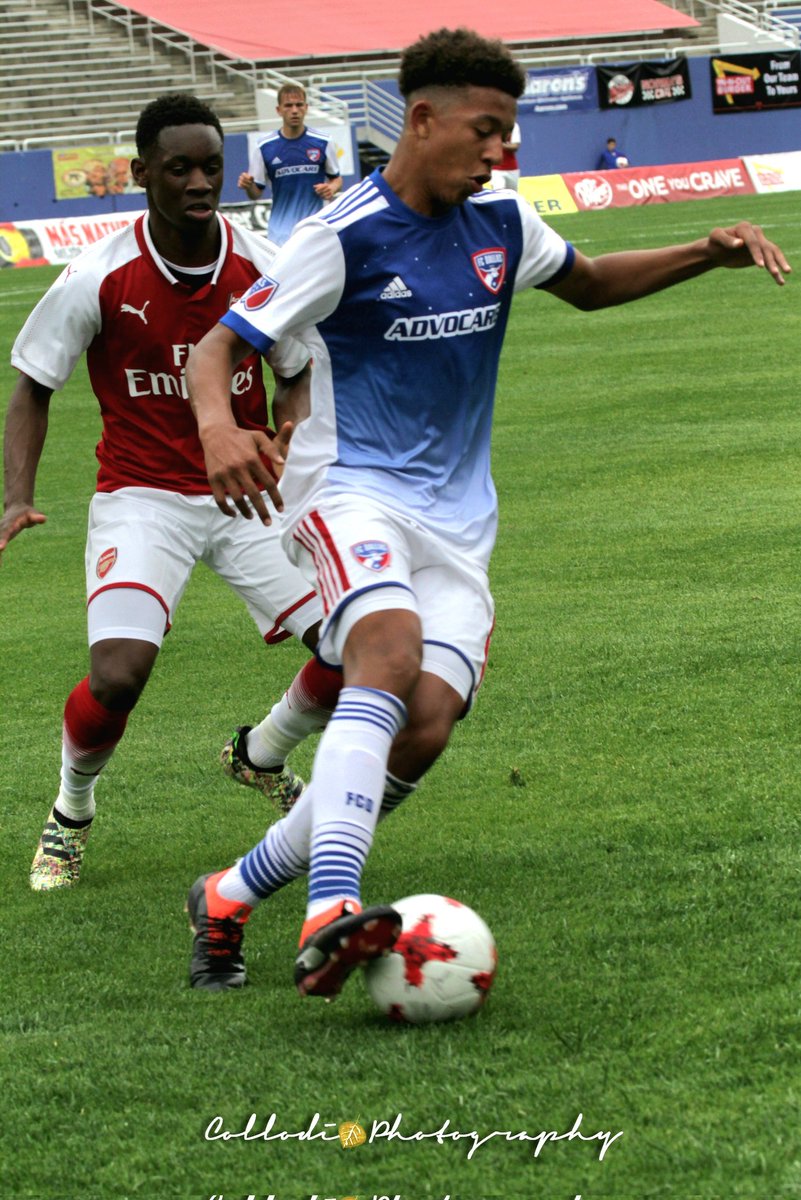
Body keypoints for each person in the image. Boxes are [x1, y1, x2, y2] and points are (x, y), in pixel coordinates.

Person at [182, 27, 790, 999]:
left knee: (423, 723)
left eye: (508, 135)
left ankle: (228, 891)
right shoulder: (341, 236)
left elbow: (587, 286)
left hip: (460, 522)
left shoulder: (501, 221)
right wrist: (219, 429)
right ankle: (332, 908)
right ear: (422, 121)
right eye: (487, 131)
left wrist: (705, 251)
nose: (501, 154)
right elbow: (214, 347)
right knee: (382, 653)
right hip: (351, 489)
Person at [1, 93, 344, 893]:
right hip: (142, 496)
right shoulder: (99, 274)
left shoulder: (261, 264)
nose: (199, 182)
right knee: (118, 673)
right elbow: (32, 383)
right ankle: (71, 810)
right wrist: (16, 497)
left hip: (252, 494)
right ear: (142, 172)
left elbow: (295, 373)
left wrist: (288, 446)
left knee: (352, 647)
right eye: (180, 167)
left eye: (211, 167)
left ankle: (259, 753)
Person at [237, 83, 343, 246]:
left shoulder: (323, 142)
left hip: (316, 229)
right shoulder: (264, 146)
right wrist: (249, 186)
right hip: (281, 234)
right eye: (288, 105)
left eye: (299, 105)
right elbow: (256, 193)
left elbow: (336, 179)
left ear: (306, 108)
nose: (294, 110)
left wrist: (331, 188)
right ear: (279, 110)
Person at [490, 120, 521, 189]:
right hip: (496, 169)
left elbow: (515, 146)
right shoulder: (490, 126)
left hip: (512, 168)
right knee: (499, 195)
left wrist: (499, 144)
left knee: (511, 196)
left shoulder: (514, 126)